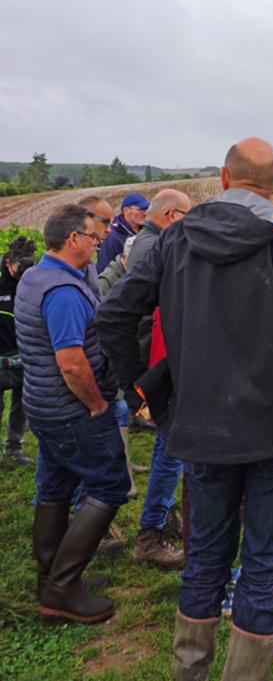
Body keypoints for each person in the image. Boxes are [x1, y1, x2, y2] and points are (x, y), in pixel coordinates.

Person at [96, 137, 273, 681]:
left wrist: (141, 393)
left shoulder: (176, 239)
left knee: (205, 563)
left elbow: (113, 316)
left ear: (222, 177)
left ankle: (189, 672)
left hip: (200, 427)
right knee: (264, 567)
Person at [14, 205, 130, 623]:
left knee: (55, 488)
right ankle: (63, 587)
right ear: (73, 239)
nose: (98, 242)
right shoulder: (63, 293)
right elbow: (71, 363)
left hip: (42, 406)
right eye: (92, 236)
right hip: (71, 410)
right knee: (110, 483)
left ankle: (52, 580)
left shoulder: (34, 276)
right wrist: (97, 404)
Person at [122, 188, 191, 571]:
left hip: (159, 363)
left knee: (172, 451)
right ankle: (151, 533)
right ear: (170, 214)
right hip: (162, 363)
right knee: (170, 451)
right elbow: (141, 318)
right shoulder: (155, 249)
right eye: (187, 216)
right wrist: (143, 383)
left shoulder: (150, 243)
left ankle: (164, 518)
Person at [0, 235, 37, 465]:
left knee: (21, 402)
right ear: (9, 261)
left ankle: (14, 447)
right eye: (19, 268)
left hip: (22, 350)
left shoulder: (29, 280)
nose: (21, 274)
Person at [95, 191, 149, 274]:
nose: (145, 213)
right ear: (126, 210)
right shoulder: (113, 237)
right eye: (141, 210)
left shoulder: (146, 232)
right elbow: (102, 271)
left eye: (146, 209)